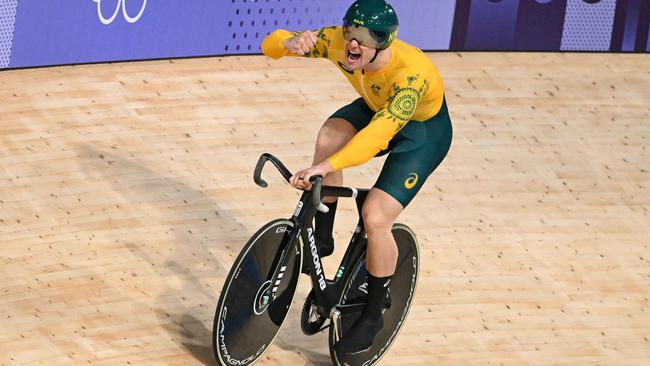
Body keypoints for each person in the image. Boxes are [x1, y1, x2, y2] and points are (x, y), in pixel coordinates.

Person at [261, 0, 452, 354]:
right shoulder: (336, 41)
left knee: (376, 216)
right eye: (351, 33)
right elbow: (268, 45)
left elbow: (376, 137)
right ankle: (323, 237)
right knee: (328, 138)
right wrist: (287, 43)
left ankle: (373, 311)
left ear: (382, 43)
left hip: (420, 133)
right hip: (377, 105)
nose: (353, 44)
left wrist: (325, 167)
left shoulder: (411, 76)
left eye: (363, 39)